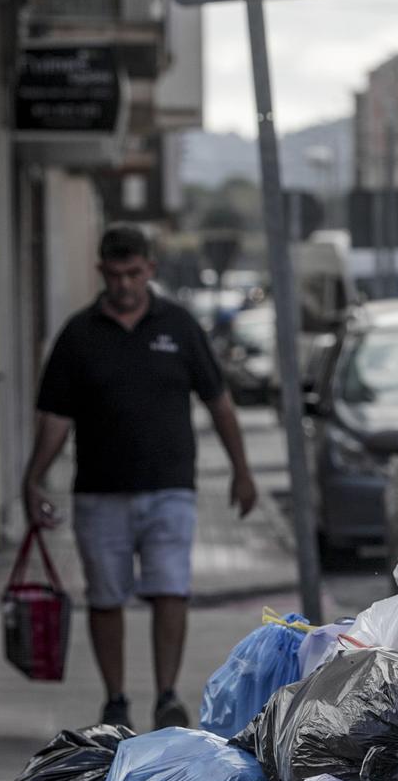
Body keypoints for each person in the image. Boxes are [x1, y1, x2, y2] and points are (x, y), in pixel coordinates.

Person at [23, 226, 257, 730]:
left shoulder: (179, 325)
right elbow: (56, 419)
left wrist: (242, 471)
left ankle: (168, 694)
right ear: (102, 272)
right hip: (99, 492)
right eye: (115, 274)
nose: (125, 284)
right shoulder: (79, 334)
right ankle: (115, 699)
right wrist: (34, 478)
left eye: (134, 273)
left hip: (170, 486)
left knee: (170, 590)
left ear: (149, 269)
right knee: (106, 597)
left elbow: (218, 401)